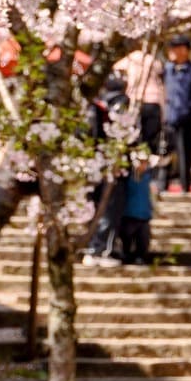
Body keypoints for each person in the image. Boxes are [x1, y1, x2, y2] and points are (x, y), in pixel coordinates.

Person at [82, 75, 130, 267]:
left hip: (93, 162)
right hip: (111, 162)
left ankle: (92, 247)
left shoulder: (93, 104)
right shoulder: (121, 102)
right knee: (110, 209)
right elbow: (123, 129)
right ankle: (101, 250)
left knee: (96, 207)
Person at [161, 35, 191, 193]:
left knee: (184, 154)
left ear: (186, 50)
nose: (173, 51)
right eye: (172, 47)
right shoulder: (167, 69)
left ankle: (185, 186)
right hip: (168, 118)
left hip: (185, 119)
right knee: (164, 153)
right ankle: (162, 185)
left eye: (177, 47)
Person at [113, 48, 165, 167]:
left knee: (134, 138)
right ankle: (146, 170)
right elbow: (161, 85)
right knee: (149, 141)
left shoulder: (133, 57)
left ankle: (135, 171)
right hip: (154, 102)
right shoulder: (155, 61)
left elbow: (116, 67)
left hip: (136, 100)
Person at [119, 157, 154, 265]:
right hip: (129, 214)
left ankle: (140, 256)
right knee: (127, 238)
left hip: (144, 215)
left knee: (143, 240)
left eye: (145, 163)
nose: (143, 166)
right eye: (141, 163)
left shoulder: (147, 177)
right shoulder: (127, 177)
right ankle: (127, 255)